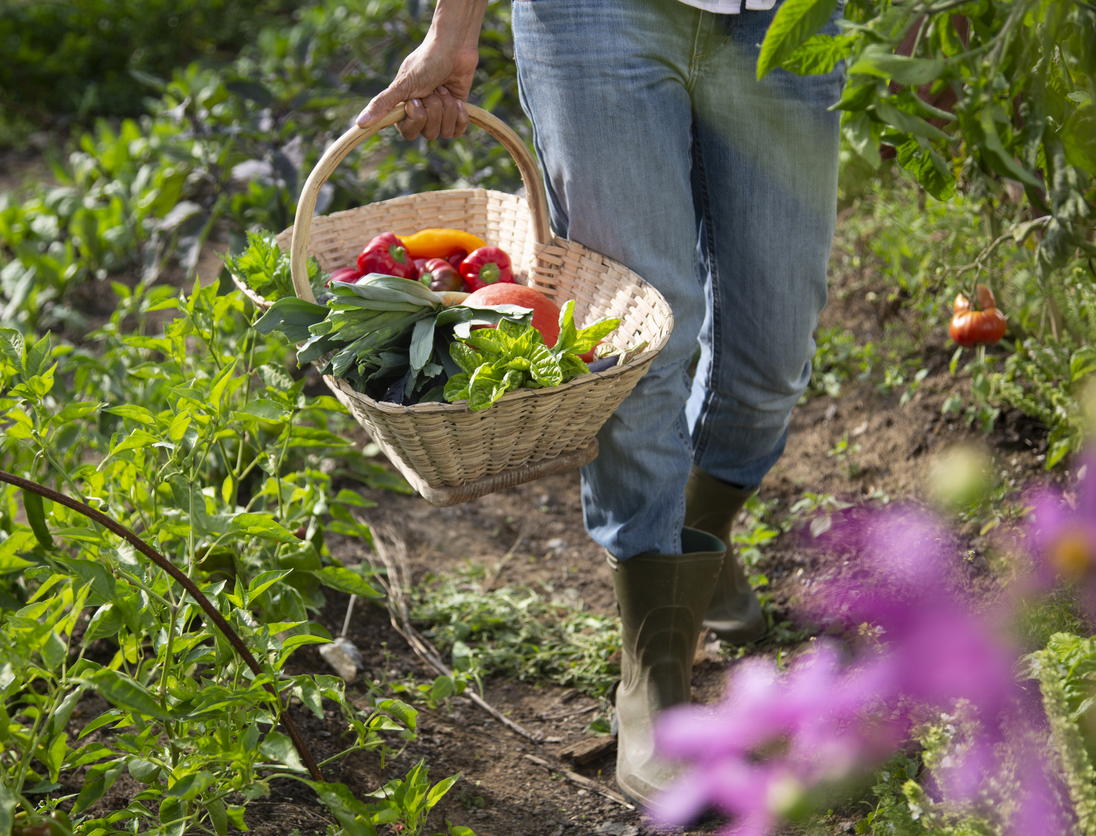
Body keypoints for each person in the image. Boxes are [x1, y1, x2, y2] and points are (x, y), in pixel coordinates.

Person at [356, 0, 845, 807]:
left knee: (772, 358)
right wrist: (454, 26)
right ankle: (654, 671)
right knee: (644, 340)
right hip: (596, 18)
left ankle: (703, 543)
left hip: (785, 20)